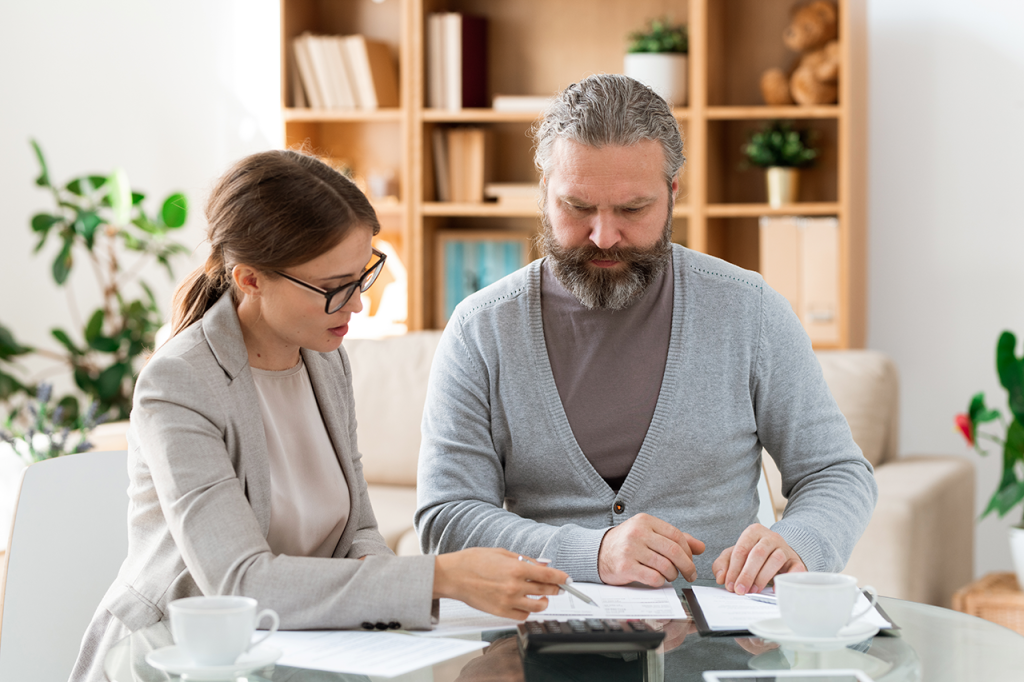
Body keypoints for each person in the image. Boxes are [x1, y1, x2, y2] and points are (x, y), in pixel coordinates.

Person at [70, 150, 567, 682]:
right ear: (251, 280)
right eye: (334, 287)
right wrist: (436, 577)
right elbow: (239, 583)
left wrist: (392, 610)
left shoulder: (326, 359)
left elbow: (359, 531)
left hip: (296, 651)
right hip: (178, 658)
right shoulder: (179, 384)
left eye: (363, 274)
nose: (357, 305)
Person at [415, 74, 877, 597]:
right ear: (544, 192)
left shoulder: (749, 309)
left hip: (720, 641)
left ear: (672, 193)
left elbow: (837, 472)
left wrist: (801, 540)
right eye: (577, 208)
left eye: (633, 210)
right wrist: (592, 553)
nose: (604, 235)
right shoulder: (481, 329)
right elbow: (446, 519)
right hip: (541, 637)